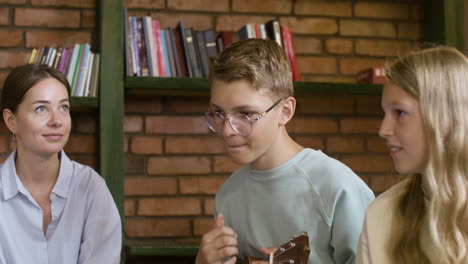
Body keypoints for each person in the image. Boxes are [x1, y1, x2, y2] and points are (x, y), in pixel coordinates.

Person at [195, 38, 375, 264]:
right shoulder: (228, 196)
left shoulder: (339, 187)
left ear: (285, 111)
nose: (226, 130)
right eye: (218, 113)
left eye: (246, 114)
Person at [0, 64, 122, 263]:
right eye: (41, 109)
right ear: (11, 120)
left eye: (64, 107)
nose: (57, 121)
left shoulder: (91, 187)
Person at [356, 47, 468, 264]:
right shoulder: (380, 214)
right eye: (384, 113)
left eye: (400, 113)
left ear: (445, 117)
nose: (383, 129)